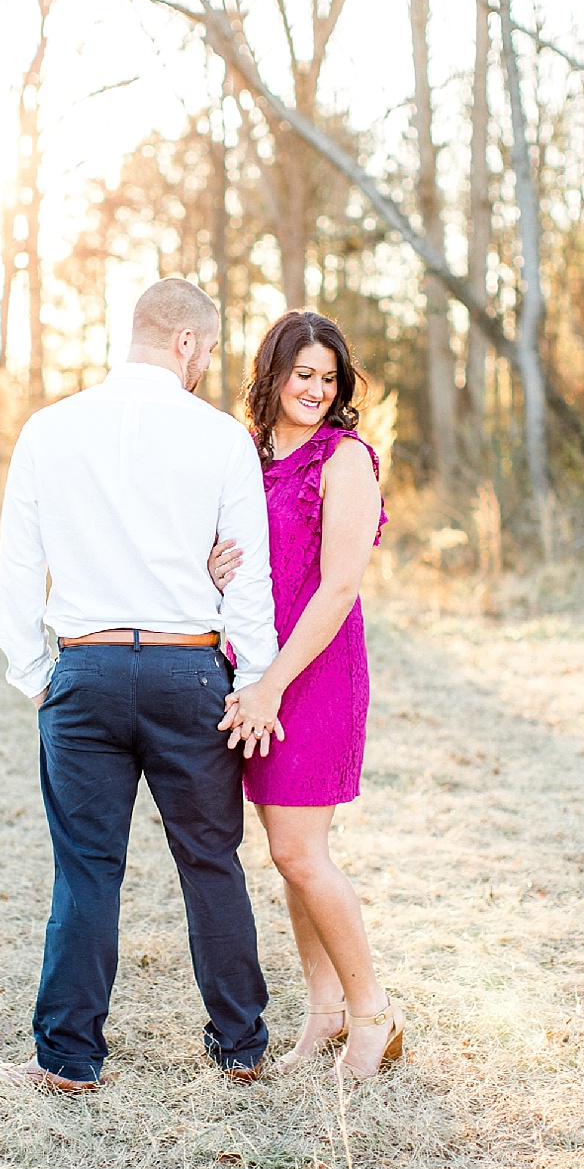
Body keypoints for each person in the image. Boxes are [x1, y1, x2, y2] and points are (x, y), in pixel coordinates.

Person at [0, 278, 284, 1094]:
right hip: (189, 669)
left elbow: (18, 564)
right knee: (209, 859)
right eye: (211, 349)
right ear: (186, 342)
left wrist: (35, 672)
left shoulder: (48, 430)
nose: (209, 365)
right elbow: (249, 576)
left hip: (82, 669)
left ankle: (69, 1058)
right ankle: (241, 1046)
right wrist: (252, 677)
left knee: (86, 868)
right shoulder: (220, 438)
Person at [209, 309, 400, 1081]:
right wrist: (218, 574)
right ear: (274, 376)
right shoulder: (251, 456)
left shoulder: (344, 458)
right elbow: (252, 561)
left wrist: (272, 685)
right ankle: (323, 1010)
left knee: (299, 850)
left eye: (329, 377)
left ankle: (373, 1015)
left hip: (309, 674)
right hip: (257, 671)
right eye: (303, 375)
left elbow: (340, 584)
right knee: (289, 856)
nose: (317, 389)